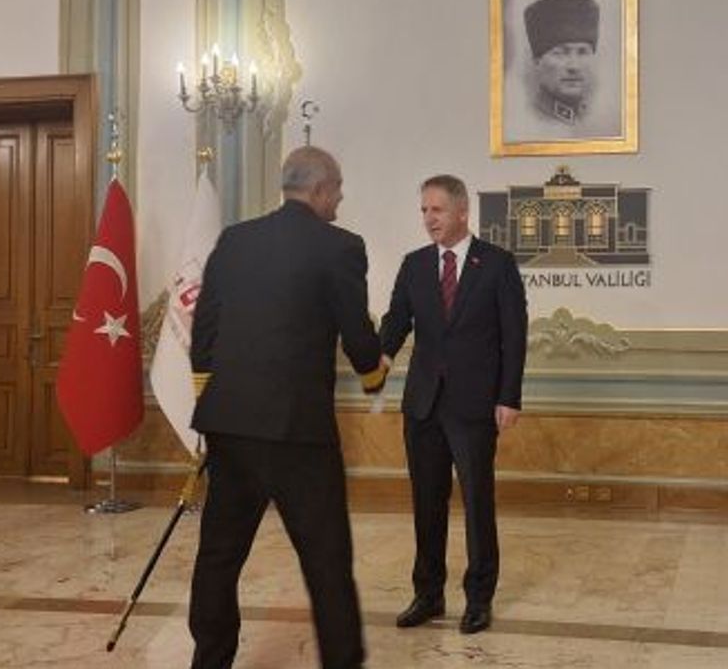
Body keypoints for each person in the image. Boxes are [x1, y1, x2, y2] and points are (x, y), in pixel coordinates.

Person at [187, 146, 388, 669]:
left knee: (218, 557)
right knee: (326, 561)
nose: (340, 199)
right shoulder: (341, 247)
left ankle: (209, 661)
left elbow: (204, 330)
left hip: (229, 427)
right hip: (298, 434)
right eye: (337, 189)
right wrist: (374, 372)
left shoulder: (234, 241)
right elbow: (357, 336)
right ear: (319, 189)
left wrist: (214, 399)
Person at [380, 174, 527, 635]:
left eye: (437, 210)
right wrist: (378, 358)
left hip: (475, 405)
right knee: (427, 503)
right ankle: (428, 594)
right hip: (423, 405)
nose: (429, 219)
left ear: (462, 212)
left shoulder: (497, 264)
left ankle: (479, 599)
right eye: (424, 210)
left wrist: (508, 397)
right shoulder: (414, 265)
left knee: (478, 503)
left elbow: (514, 337)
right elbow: (396, 322)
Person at [507, 0, 616, 141]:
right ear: (537, 60)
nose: (574, 66)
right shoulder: (519, 127)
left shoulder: (600, 122)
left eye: (582, 52)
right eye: (560, 53)